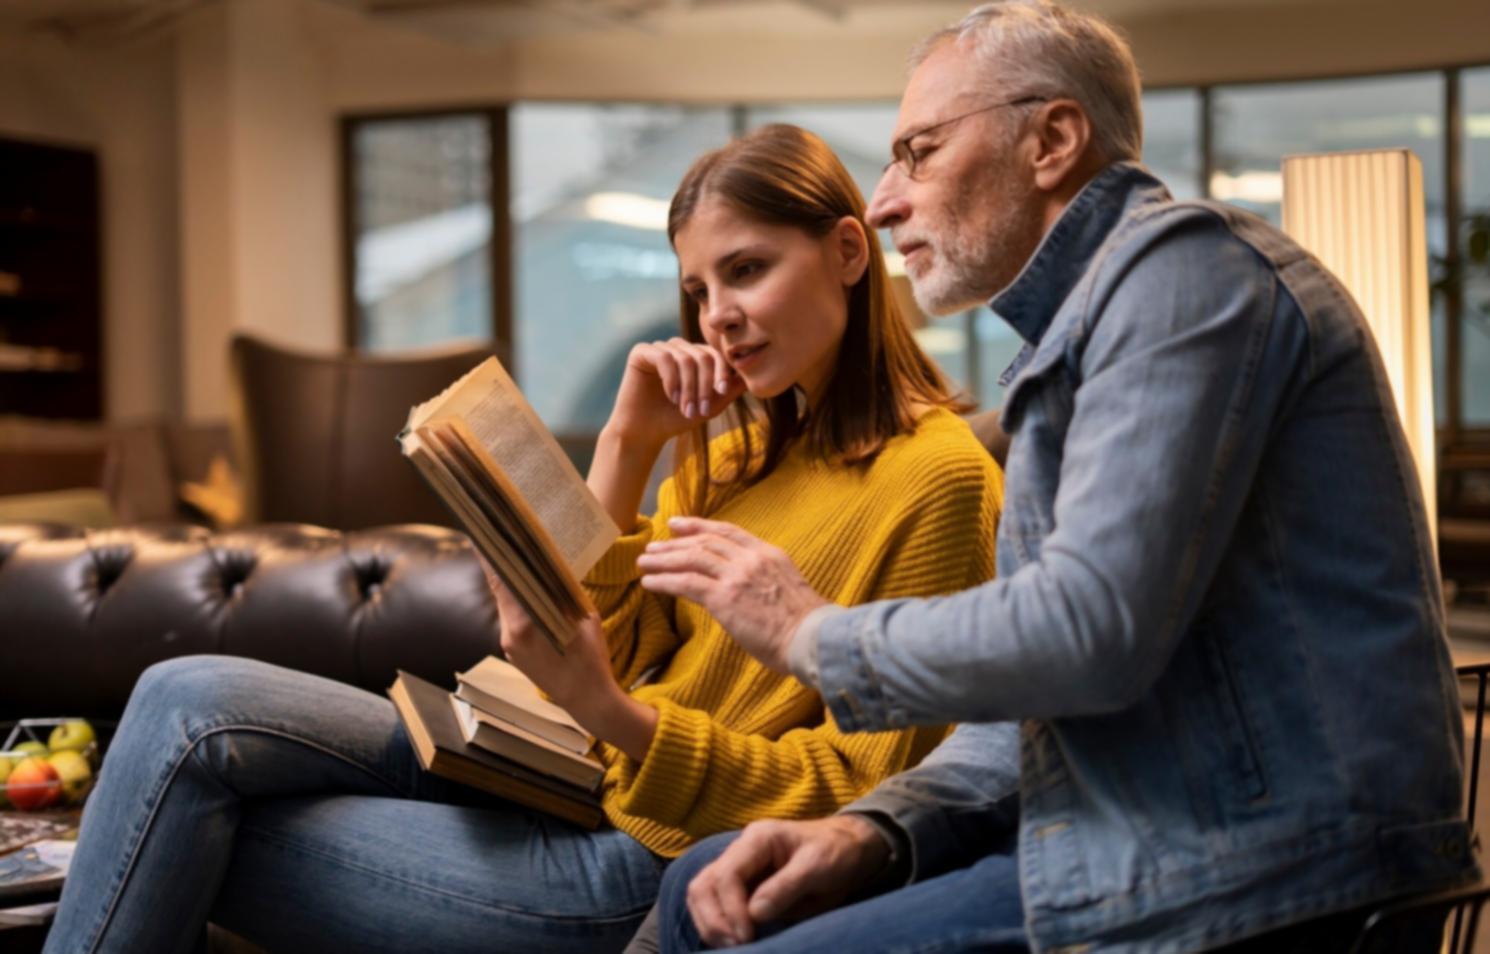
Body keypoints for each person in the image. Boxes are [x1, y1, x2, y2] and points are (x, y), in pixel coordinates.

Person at [38, 123, 1004, 954]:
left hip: (633, 854)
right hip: (554, 770)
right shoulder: (733, 451)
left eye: (746, 270)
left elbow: (860, 793)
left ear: (847, 251)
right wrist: (626, 445)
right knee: (179, 693)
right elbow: (620, 643)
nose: (719, 319)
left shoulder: (942, 481)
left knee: (171, 823)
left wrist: (614, 714)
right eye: (700, 291)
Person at [641, 3, 1479, 952]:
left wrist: (808, 631)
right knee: (699, 885)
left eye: (918, 151)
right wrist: (875, 831)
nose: (882, 202)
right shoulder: (1074, 346)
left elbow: (1090, 629)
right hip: (1132, 835)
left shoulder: (1189, 271)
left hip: (1270, 870)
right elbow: (1035, 711)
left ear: (1052, 140)